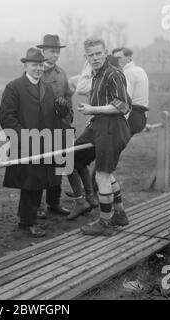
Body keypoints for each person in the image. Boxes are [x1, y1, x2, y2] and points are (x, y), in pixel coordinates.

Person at [0, 48, 66, 238]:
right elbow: (7, 118)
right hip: (25, 144)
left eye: (40, 65)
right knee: (30, 184)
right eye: (34, 65)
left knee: (38, 183)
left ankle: (26, 218)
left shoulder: (47, 87)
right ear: (25, 65)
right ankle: (29, 222)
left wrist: (61, 111)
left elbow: (55, 116)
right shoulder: (14, 87)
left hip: (44, 144)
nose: (38, 68)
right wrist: (27, 138)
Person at [69, 37, 132, 236]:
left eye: (98, 53)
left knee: (102, 174)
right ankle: (119, 213)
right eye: (91, 55)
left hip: (112, 129)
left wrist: (92, 109)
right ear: (85, 57)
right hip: (98, 126)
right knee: (76, 158)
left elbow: (123, 105)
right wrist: (94, 115)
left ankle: (105, 223)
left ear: (105, 53)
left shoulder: (114, 74)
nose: (95, 58)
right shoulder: (95, 75)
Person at [36, 34, 72, 219]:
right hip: (41, 129)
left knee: (58, 166)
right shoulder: (36, 71)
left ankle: (54, 202)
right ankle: (38, 205)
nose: (55, 55)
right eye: (52, 51)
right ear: (43, 51)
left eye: (57, 51)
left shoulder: (61, 73)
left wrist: (69, 117)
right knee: (40, 167)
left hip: (61, 127)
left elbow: (68, 96)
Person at [113, 47, 149, 135]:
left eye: (119, 58)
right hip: (141, 117)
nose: (116, 61)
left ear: (129, 58)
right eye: (114, 59)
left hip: (132, 119)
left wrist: (120, 125)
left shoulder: (128, 72)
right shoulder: (140, 70)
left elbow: (125, 102)